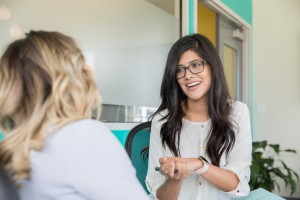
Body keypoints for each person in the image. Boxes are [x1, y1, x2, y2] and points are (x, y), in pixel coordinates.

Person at [0, 30, 149, 200]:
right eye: (82, 63)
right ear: (70, 80)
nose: (89, 70)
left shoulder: (17, 144)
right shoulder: (82, 135)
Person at [146, 33, 252, 200]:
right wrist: (175, 178)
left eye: (195, 65)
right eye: (180, 69)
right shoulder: (162, 121)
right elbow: (161, 196)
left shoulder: (238, 113)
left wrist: (199, 165)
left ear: (212, 67)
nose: (187, 75)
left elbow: (236, 184)